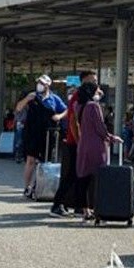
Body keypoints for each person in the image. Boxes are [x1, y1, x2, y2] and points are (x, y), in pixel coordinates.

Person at [50, 68, 96, 217]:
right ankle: (57, 204)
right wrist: (79, 142)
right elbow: (72, 121)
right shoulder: (78, 97)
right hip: (75, 142)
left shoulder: (86, 96)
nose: (95, 83)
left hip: (80, 142)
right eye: (92, 80)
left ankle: (78, 206)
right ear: (84, 81)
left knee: (79, 175)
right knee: (73, 175)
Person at [73, 80, 119, 221]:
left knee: (83, 179)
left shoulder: (78, 106)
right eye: (97, 90)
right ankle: (99, 208)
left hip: (83, 145)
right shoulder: (93, 106)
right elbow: (100, 127)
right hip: (96, 146)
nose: (99, 93)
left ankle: (84, 210)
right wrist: (111, 137)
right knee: (99, 178)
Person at [16, 75, 67, 195]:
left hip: (48, 133)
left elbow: (66, 110)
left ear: (48, 85)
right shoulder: (32, 96)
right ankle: (27, 187)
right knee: (30, 159)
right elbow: (18, 108)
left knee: (45, 161)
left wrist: (59, 116)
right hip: (32, 132)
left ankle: (38, 186)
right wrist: (27, 99)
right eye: (38, 83)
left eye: (42, 83)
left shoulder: (54, 99)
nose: (40, 85)